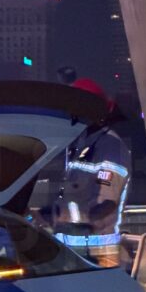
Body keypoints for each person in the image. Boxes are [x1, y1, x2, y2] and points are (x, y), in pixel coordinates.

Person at [50, 77, 131, 267]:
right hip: (74, 254)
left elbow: (106, 203)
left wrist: (63, 220)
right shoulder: (80, 145)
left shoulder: (110, 146)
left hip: (101, 255)